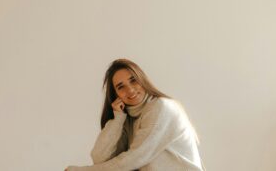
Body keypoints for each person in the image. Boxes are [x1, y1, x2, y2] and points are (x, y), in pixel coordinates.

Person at [65, 59, 204, 171]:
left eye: (133, 80)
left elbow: (135, 158)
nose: (130, 90)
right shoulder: (128, 118)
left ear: (142, 79)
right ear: (116, 95)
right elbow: (99, 157)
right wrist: (118, 119)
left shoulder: (161, 107)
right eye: (121, 87)